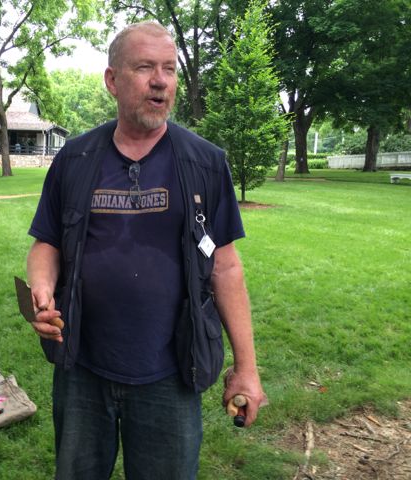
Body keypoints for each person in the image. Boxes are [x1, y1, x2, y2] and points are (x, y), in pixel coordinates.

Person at [26, 21, 266, 480]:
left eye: (169, 70)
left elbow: (226, 267)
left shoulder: (204, 163)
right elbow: (47, 242)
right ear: (112, 80)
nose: (161, 80)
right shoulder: (74, 160)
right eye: (145, 68)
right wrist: (42, 288)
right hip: (82, 370)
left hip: (172, 373)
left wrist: (246, 369)